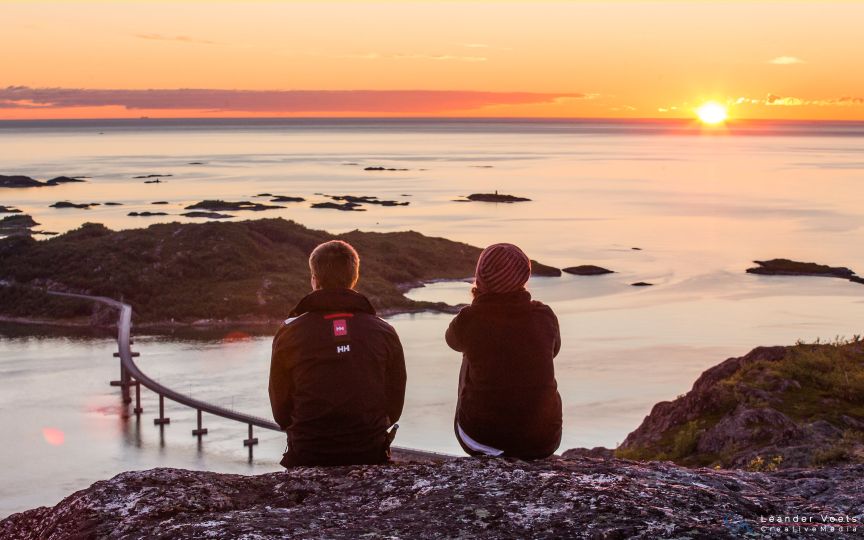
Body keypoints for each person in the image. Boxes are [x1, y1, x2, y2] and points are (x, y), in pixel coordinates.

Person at [269, 240, 406, 467]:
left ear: (314, 279)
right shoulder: (384, 331)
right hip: (369, 452)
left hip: (308, 452)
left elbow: (280, 409)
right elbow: (394, 405)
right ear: (354, 278)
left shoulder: (289, 332)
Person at [446, 243, 562, 459]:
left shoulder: (469, 319)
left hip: (482, 439)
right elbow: (553, 351)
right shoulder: (544, 315)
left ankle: (489, 431)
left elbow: (452, 341)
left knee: (469, 355)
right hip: (544, 440)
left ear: (480, 276)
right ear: (523, 277)